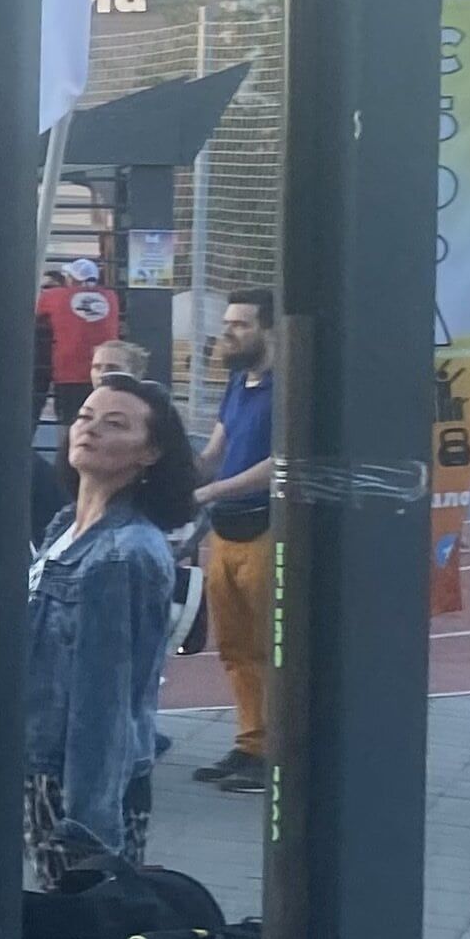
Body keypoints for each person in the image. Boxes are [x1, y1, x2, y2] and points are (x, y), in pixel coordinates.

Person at [27, 375, 199, 881]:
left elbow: (106, 698)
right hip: (41, 766)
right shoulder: (65, 527)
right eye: (84, 417)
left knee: (84, 926)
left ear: (150, 453)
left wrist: (90, 827)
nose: (90, 429)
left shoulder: (121, 556)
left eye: (115, 423)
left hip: (73, 784)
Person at [192, 289, 278, 795]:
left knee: (272, 645)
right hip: (226, 529)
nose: (229, 332)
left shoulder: (287, 385)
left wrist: (212, 489)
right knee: (234, 647)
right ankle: (251, 743)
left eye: (241, 324)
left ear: (270, 330)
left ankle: (278, 751)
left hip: (265, 526)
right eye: (228, 323)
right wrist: (179, 475)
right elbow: (215, 449)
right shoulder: (237, 382)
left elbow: (280, 460)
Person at [36, 255, 122, 424]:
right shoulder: (111, 297)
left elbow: (36, 312)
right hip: (104, 370)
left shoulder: (55, 296)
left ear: (71, 279)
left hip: (69, 371)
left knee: (71, 423)